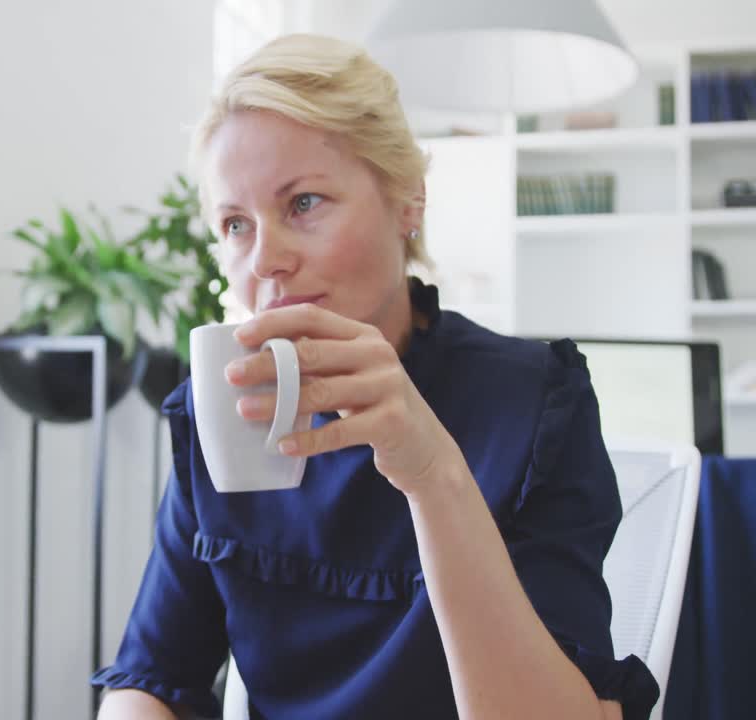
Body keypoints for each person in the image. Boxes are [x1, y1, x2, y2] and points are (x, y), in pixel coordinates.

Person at [93, 33, 659, 720]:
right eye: (235, 223)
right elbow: (151, 680)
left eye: (303, 203)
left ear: (407, 202)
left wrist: (431, 471)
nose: (265, 259)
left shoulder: (534, 405)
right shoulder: (222, 411)